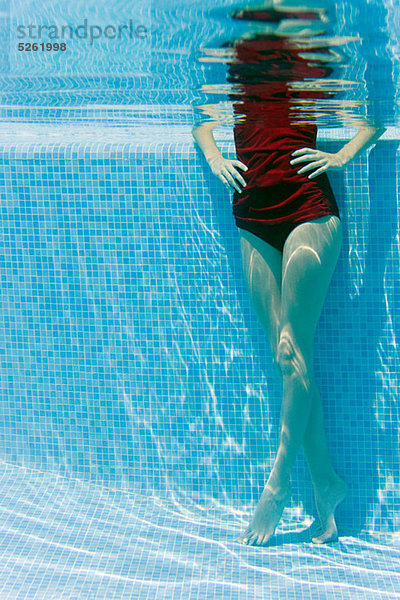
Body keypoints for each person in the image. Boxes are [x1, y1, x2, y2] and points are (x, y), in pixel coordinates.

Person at [192, 23, 385, 546]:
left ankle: (276, 489)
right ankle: (327, 482)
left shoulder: (314, 45)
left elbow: (380, 109)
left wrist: (342, 157)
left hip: (307, 211)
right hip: (252, 215)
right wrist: (213, 157)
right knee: (287, 359)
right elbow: (203, 118)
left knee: (290, 348)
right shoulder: (229, 49)